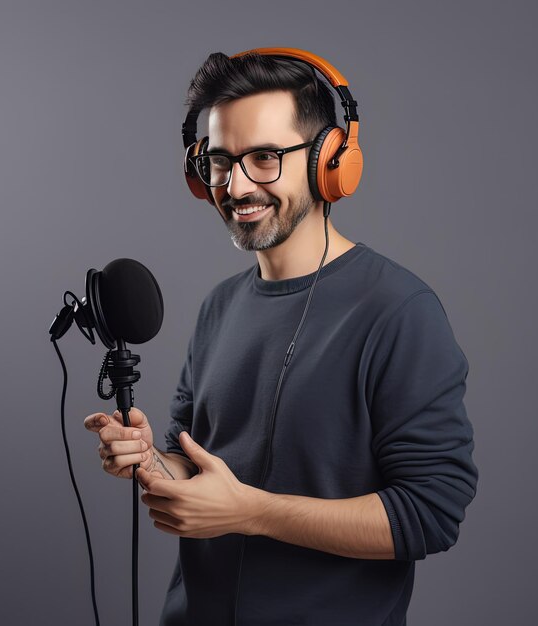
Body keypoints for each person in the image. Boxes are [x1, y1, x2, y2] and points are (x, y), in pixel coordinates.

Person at [84, 48, 478, 626]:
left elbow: (430, 513)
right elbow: (195, 469)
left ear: (329, 160)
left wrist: (251, 513)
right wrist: (149, 458)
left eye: (264, 157)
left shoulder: (400, 311)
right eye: (220, 161)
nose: (237, 185)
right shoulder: (219, 306)